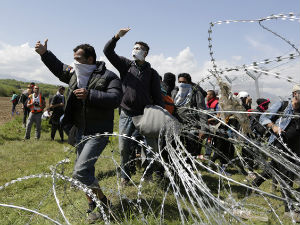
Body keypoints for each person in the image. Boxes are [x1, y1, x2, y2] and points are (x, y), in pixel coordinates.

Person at [35, 39, 122, 222]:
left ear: (90, 59)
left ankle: (104, 204)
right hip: (79, 130)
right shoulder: (74, 74)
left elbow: (115, 98)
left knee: (81, 172)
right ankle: (93, 205)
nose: (74, 62)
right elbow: (59, 68)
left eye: (78, 58)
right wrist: (45, 54)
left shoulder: (109, 76)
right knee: (84, 172)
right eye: (73, 58)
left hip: (98, 131)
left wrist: (90, 95)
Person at [103, 28, 164, 185]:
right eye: (134, 47)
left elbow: (157, 96)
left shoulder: (152, 73)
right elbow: (107, 51)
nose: (135, 50)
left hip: (146, 115)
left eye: (139, 48)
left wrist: (160, 115)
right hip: (127, 113)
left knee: (150, 147)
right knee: (123, 146)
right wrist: (117, 37)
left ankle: (147, 173)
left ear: (145, 53)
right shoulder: (126, 66)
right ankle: (125, 176)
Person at [251, 87, 300, 220]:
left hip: (295, 148)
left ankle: (256, 183)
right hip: (279, 145)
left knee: (273, 168)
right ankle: (288, 210)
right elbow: (264, 117)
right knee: (287, 175)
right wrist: (274, 126)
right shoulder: (283, 105)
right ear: (295, 94)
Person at [171, 73, 207, 157]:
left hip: (192, 125)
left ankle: (189, 164)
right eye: (179, 82)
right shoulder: (175, 92)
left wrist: (203, 128)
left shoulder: (196, 93)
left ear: (189, 82)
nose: (181, 84)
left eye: (184, 82)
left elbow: (202, 111)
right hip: (178, 125)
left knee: (190, 148)